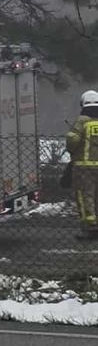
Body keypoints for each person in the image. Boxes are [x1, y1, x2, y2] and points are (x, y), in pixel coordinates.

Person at [66, 90, 98, 238]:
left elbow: (72, 141)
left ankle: (90, 228)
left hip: (84, 167)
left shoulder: (82, 121)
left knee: (85, 196)